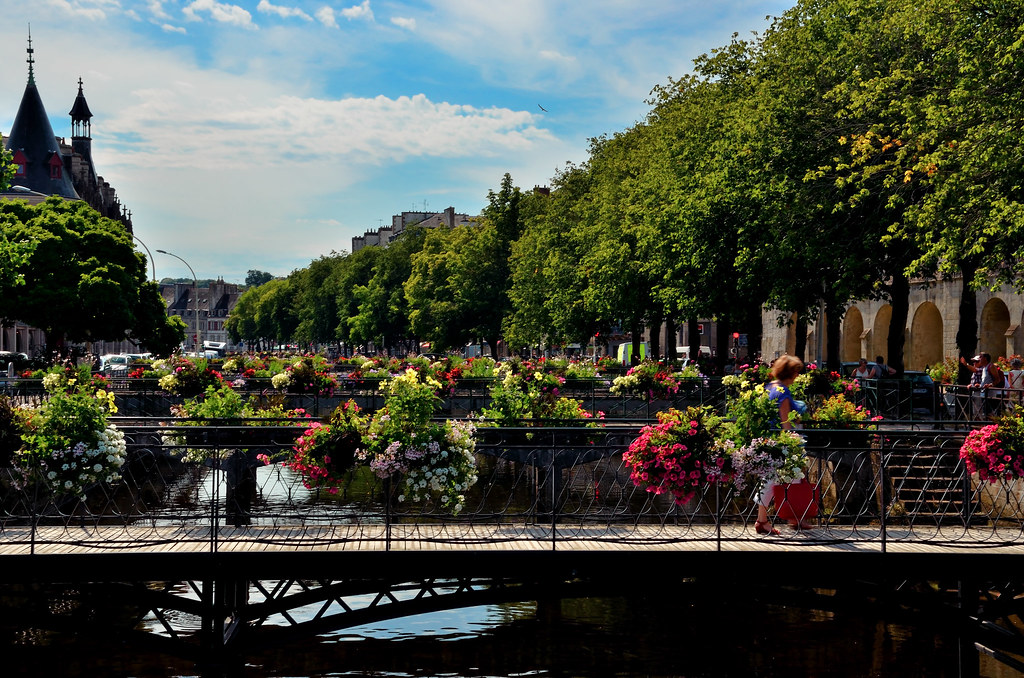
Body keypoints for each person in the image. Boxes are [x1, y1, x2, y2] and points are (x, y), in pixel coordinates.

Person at [754, 354, 812, 535]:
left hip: (770, 440)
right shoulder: (783, 392)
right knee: (780, 478)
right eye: (796, 372)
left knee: (780, 479)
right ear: (790, 373)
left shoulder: (770, 387)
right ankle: (765, 521)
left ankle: (794, 518)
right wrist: (793, 441)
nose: (797, 376)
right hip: (782, 443)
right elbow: (785, 420)